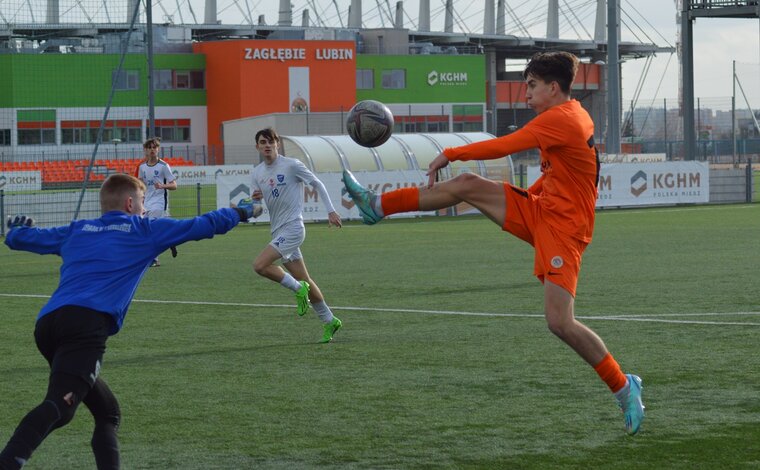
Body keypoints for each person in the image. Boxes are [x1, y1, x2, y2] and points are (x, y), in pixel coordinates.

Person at [342, 51, 645, 435]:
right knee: (468, 185)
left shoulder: (560, 119)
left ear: (554, 88)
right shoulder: (569, 116)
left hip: (564, 230)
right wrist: (525, 197)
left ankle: (623, 386)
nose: (526, 94)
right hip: (544, 211)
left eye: (532, 86)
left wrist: (449, 153)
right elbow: (564, 177)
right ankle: (376, 205)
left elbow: (504, 146)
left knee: (560, 322)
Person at [0, 174, 257, 469]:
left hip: (48, 324)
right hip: (85, 326)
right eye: (143, 203)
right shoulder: (143, 229)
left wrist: (19, 230)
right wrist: (242, 211)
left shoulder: (78, 229)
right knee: (61, 406)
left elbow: (20, 239)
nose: (145, 209)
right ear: (130, 203)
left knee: (108, 413)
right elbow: (205, 224)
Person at [246, 127, 343, 343]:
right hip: (278, 230)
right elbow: (257, 209)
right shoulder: (257, 173)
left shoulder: (291, 165)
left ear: (277, 144)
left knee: (260, 265)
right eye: (263, 142)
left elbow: (317, 183)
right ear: (258, 147)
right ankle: (330, 320)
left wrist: (331, 210)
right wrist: (254, 201)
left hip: (293, 228)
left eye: (271, 141)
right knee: (305, 278)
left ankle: (299, 290)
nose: (268, 145)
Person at [134, 137, 177, 267]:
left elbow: (174, 185)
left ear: (158, 149)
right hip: (146, 202)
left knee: (151, 228)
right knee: (145, 228)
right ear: (146, 150)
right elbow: (140, 183)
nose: (152, 150)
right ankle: (171, 242)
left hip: (159, 202)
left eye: (155, 147)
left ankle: (154, 259)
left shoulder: (163, 166)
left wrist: (163, 186)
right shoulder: (142, 166)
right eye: (150, 147)